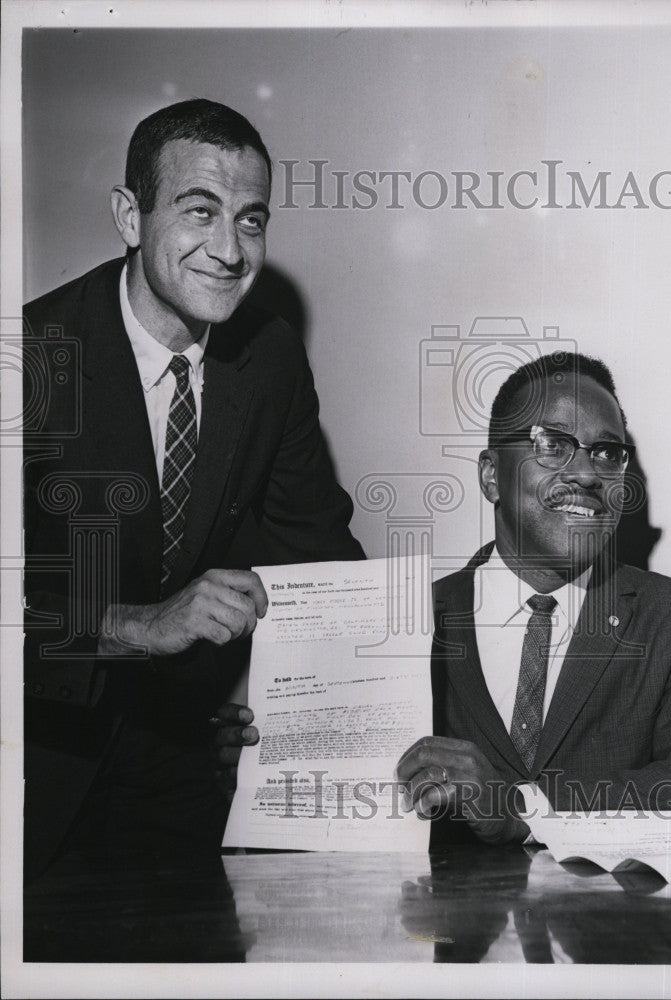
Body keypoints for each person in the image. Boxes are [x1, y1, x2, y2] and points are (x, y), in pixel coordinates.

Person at [23, 99, 364, 878]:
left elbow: (316, 553)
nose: (228, 249)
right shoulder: (33, 357)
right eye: (199, 211)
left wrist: (380, 692)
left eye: (250, 220)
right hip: (31, 753)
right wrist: (142, 626)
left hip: (182, 759)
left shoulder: (269, 355)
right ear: (129, 216)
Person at [396, 352, 671, 844]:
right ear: (491, 475)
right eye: (553, 445)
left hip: (609, 921)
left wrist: (527, 810)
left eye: (606, 453)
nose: (588, 474)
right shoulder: (409, 617)